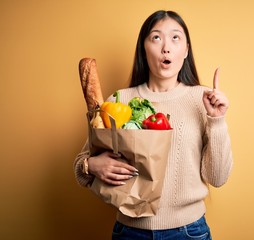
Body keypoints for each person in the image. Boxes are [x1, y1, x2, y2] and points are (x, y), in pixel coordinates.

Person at [74, 10, 233, 240]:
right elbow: (80, 165)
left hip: (188, 232)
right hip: (129, 232)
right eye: (156, 37)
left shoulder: (204, 99)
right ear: (143, 48)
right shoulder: (119, 101)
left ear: (186, 50)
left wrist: (217, 120)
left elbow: (217, 178)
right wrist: (91, 165)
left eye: (175, 38)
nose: (166, 47)